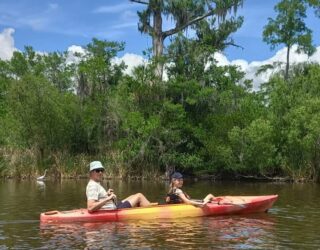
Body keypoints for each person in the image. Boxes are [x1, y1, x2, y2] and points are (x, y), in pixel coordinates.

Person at [86, 161, 151, 212]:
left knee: (133, 196)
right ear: (91, 173)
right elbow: (90, 207)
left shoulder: (95, 183)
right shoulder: (93, 186)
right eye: (97, 170)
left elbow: (98, 199)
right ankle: (154, 211)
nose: (100, 173)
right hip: (113, 210)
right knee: (139, 196)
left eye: (101, 170)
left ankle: (149, 207)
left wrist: (106, 194)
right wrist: (108, 199)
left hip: (114, 207)